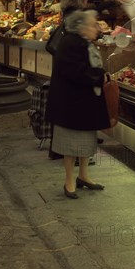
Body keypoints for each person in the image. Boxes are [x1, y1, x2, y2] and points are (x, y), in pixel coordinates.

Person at [45, 10, 110, 199]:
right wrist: (98, 77)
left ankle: (83, 176)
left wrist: (101, 73)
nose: (95, 28)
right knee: (70, 145)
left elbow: (91, 65)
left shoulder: (82, 42)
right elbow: (76, 72)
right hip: (71, 104)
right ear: (81, 27)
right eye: (92, 25)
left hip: (82, 103)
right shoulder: (70, 43)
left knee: (86, 142)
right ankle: (69, 181)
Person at [47, 0, 91, 161]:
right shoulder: (78, 18)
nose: (88, 1)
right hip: (72, 72)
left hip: (62, 71)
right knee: (74, 117)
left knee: (64, 115)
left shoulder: (67, 13)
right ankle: (73, 157)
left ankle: (60, 151)